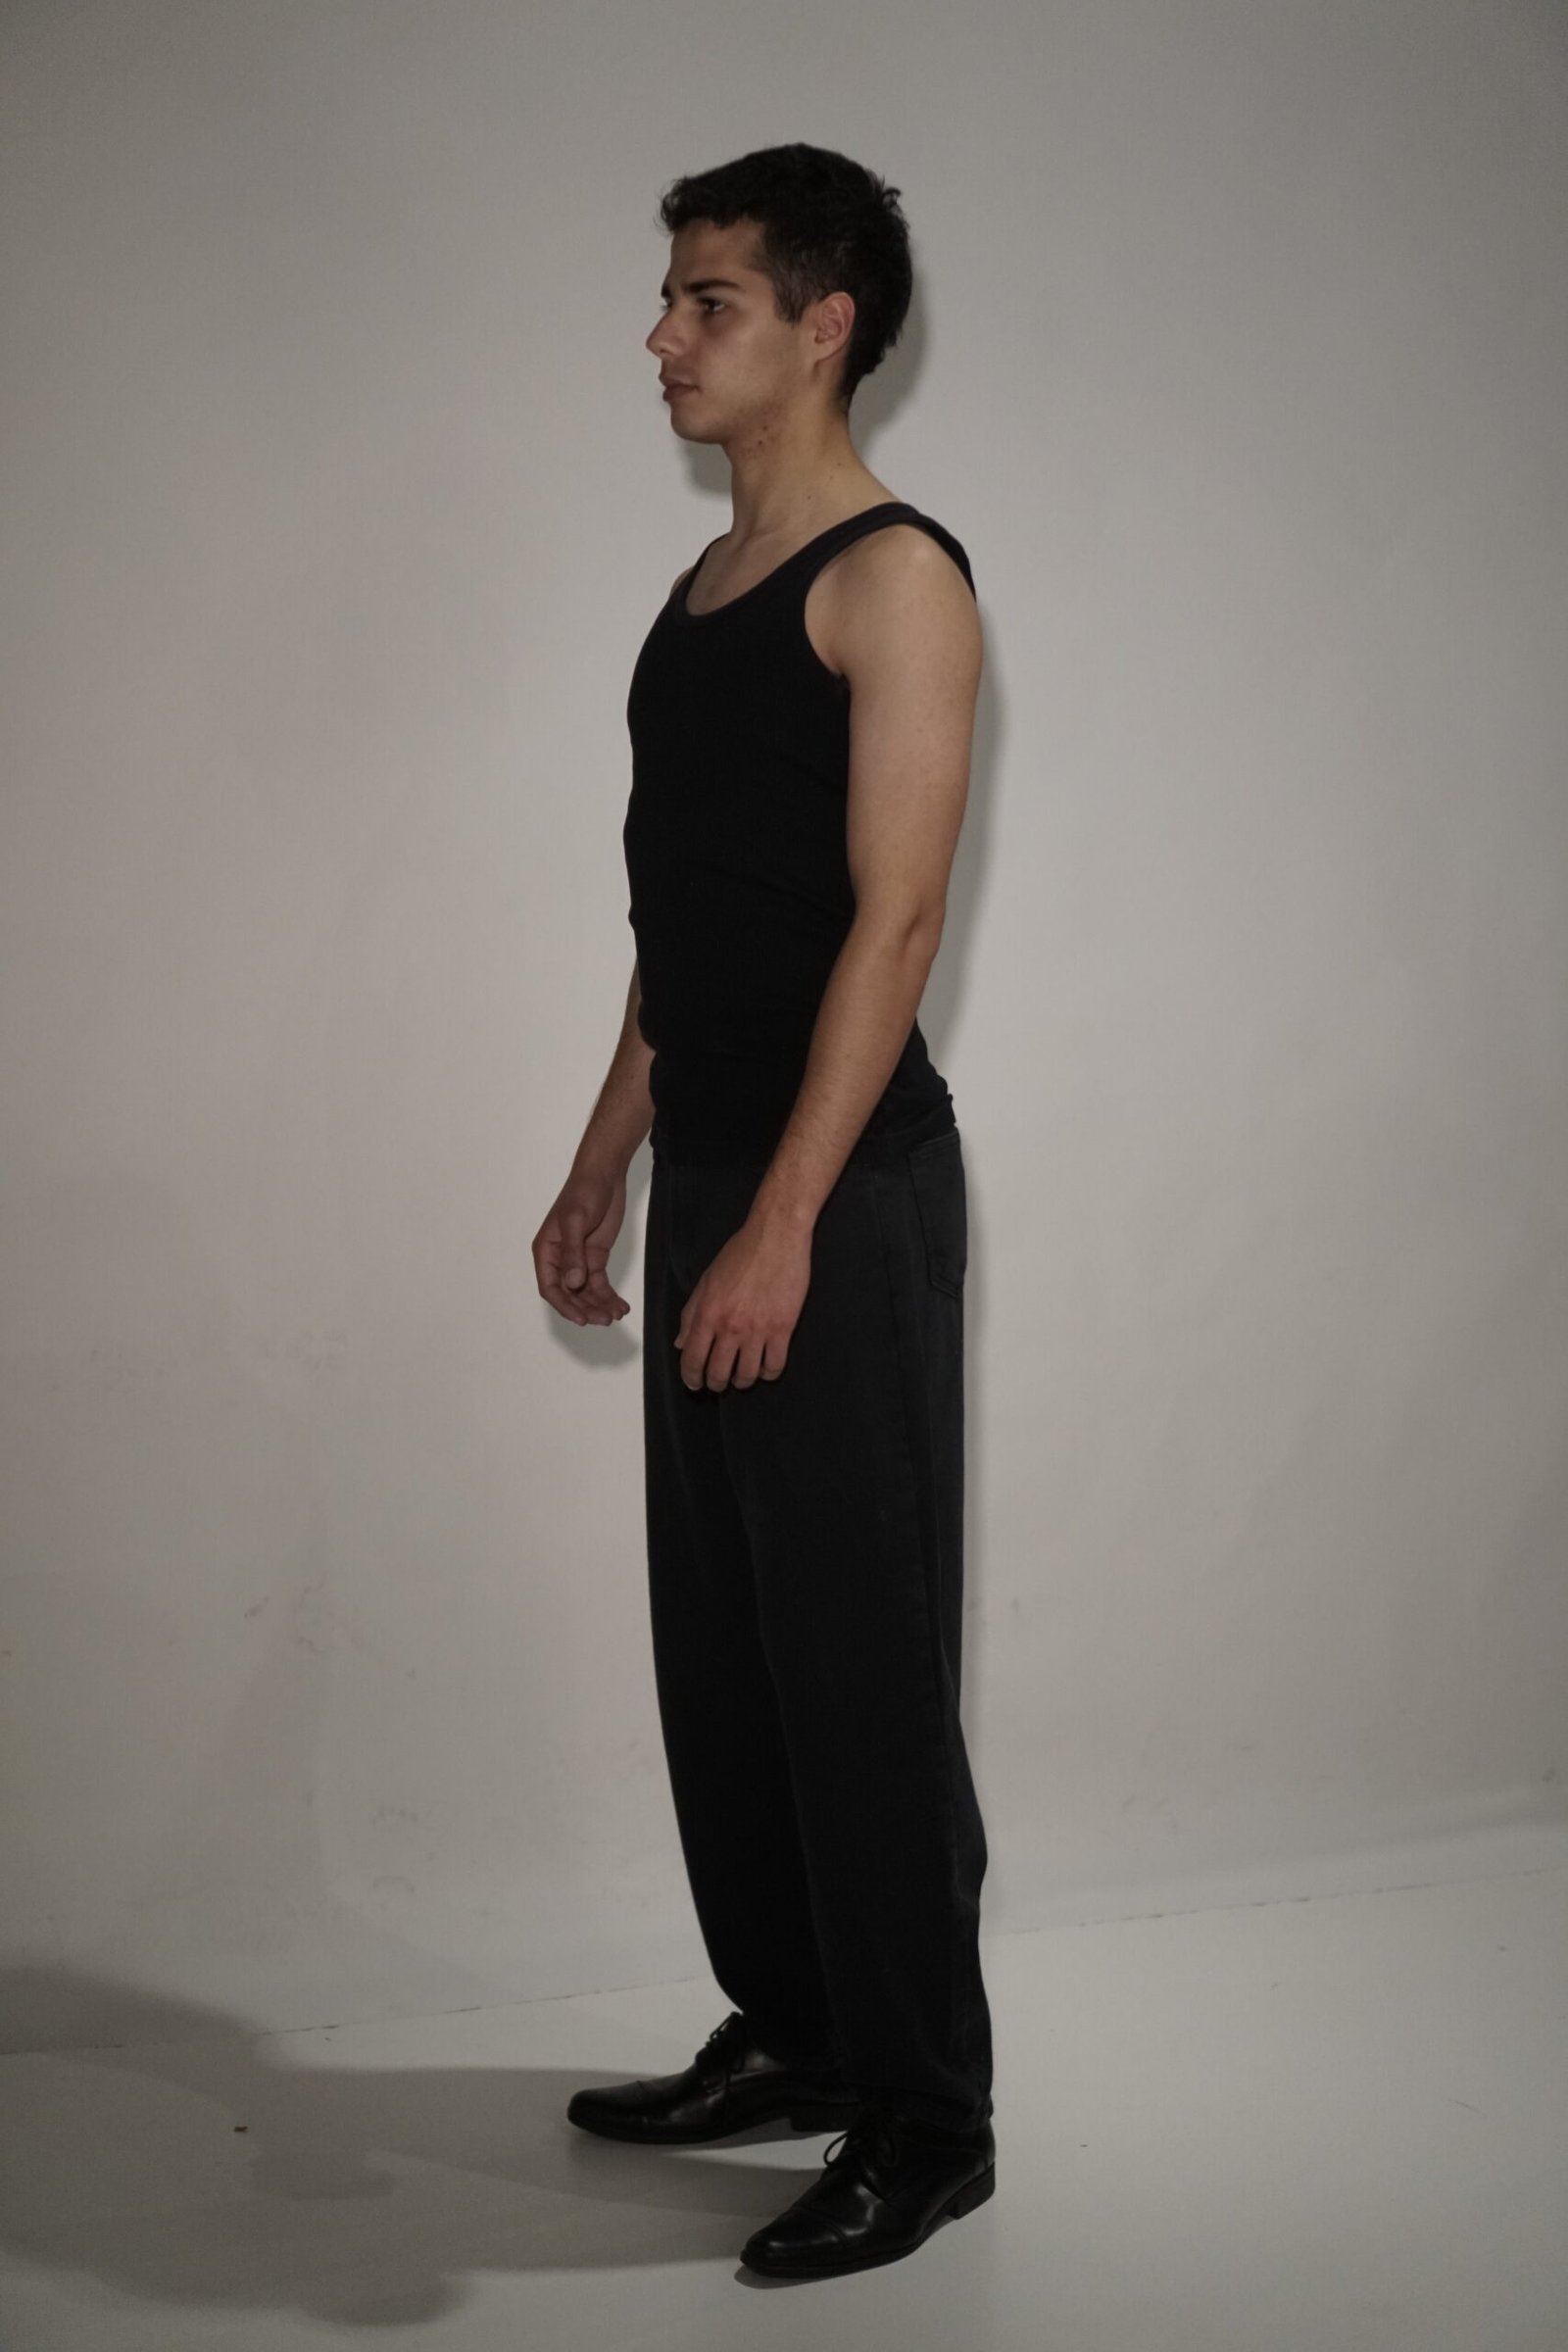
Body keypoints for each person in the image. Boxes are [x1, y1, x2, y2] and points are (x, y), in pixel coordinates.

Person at [533, 141, 994, 2279]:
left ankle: (926, 2115)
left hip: (843, 1190)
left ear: (824, 326)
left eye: (703, 299)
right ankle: (798, 2029)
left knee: (857, 1661)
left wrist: (789, 1218)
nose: (661, 336)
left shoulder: (893, 582)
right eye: (668, 298)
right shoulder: (705, 590)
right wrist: (606, 1155)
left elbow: (893, 928)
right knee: (727, 1657)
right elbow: (685, 929)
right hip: (721, 1162)